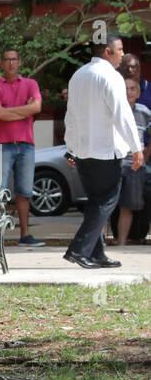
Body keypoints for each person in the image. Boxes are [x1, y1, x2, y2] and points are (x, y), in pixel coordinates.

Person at [63, 37, 143, 268]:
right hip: (105, 151)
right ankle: (78, 250)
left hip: (83, 150)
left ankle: (96, 253)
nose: (122, 54)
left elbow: (71, 116)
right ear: (108, 51)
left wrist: (71, 148)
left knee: (96, 202)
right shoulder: (110, 76)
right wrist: (136, 147)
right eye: (119, 50)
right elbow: (123, 115)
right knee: (106, 201)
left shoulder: (78, 75)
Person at [0, 48, 43, 246]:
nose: (11, 63)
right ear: (1, 63)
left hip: (26, 145)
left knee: (25, 191)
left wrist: (8, 111)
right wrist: (23, 112)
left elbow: (37, 107)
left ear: (20, 62)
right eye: (7, 60)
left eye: (14, 59)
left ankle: (25, 235)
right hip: (1, 145)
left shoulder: (30, 84)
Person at [116, 75, 151, 245]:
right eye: (125, 89)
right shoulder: (115, 110)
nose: (128, 92)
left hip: (135, 165)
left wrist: (146, 153)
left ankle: (122, 242)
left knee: (127, 206)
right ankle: (98, 242)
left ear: (138, 93)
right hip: (114, 163)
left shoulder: (144, 111)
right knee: (105, 205)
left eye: (132, 89)